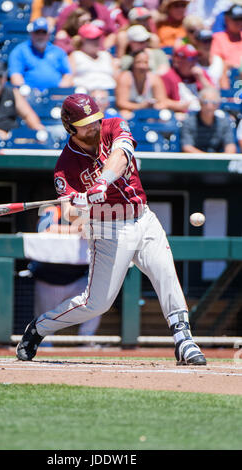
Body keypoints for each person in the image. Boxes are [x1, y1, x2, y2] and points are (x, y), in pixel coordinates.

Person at [16, 92, 207, 367]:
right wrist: (79, 204)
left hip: (143, 217)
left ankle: (184, 340)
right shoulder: (65, 167)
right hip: (107, 227)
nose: (94, 126)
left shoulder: (114, 125)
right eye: (86, 123)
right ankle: (39, 328)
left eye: (95, 119)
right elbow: (68, 212)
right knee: (97, 304)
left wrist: (102, 182)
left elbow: (121, 154)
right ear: (70, 126)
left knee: (165, 273)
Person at [29, 205, 101, 341]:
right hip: (49, 278)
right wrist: (75, 230)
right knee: (44, 317)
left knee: (96, 301)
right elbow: (44, 230)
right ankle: (43, 345)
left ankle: (86, 341)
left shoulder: (87, 214)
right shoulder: (52, 210)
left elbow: (93, 232)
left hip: (78, 278)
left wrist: (84, 227)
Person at [0, 60, 47, 141]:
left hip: (13, 136)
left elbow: (28, 114)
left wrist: (36, 127)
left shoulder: (13, 93)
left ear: (5, 78)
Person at [8, 17, 73, 92]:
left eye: (43, 32)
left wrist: (59, 92)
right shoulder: (20, 51)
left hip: (54, 96)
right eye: (37, 32)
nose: (40, 36)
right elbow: (16, 76)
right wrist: (26, 92)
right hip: (29, 96)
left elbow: (68, 75)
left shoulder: (58, 52)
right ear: (31, 33)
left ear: (48, 34)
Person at [161, 44, 214, 113]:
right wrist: (178, 106)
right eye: (191, 59)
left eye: (196, 58)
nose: (194, 62)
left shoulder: (201, 74)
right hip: (180, 116)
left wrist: (201, 79)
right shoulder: (169, 76)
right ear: (178, 61)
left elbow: (214, 96)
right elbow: (161, 101)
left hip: (202, 116)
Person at [181, 87, 236, 153]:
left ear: (218, 104)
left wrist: (222, 159)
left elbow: (230, 145)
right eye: (206, 102)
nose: (209, 106)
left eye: (214, 102)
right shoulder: (189, 122)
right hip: (195, 161)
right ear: (200, 103)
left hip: (217, 160)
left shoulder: (224, 122)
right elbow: (187, 147)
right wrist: (207, 160)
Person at [115, 50, 168, 118]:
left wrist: (152, 105)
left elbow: (163, 102)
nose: (142, 66)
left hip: (150, 112)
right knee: (124, 114)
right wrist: (140, 106)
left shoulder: (155, 79)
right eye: (138, 62)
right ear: (133, 63)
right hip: (131, 112)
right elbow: (121, 103)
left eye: (145, 62)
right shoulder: (125, 78)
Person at [68, 23, 119, 91]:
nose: (96, 41)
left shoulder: (106, 55)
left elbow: (117, 78)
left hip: (109, 95)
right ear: (83, 40)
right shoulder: (76, 55)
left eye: (98, 38)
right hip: (85, 96)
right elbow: (69, 79)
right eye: (92, 39)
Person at [211, 4, 242, 69]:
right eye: (235, 19)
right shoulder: (217, 38)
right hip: (226, 74)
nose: (239, 22)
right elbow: (214, 61)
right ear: (227, 19)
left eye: (240, 18)